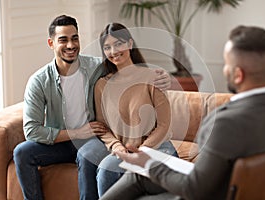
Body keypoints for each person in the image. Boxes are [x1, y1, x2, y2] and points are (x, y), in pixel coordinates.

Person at [100, 25, 265, 200]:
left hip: (208, 193)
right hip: (246, 190)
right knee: (137, 177)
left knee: (140, 173)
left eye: (226, 64)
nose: (224, 69)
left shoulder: (225, 123)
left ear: (238, 74)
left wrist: (148, 164)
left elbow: (193, 189)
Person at [13, 15, 171, 200]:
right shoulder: (39, 81)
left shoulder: (97, 67)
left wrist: (164, 77)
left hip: (91, 140)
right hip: (61, 141)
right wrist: (76, 133)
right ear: (51, 43)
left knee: (89, 157)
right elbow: (31, 131)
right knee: (22, 153)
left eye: (75, 38)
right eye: (63, 40)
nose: (71, 45)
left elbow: (126, 70)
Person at [93, 23, 178, 197]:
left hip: (157, 148)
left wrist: (141, 151)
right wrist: (116, 146)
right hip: (123, 152)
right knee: (105, 170)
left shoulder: (153, 77)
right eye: (107, 47)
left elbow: (164, 124)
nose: (114, 51)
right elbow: (102, 126)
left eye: (118, 44)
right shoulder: (101, 85)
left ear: (130, 44)